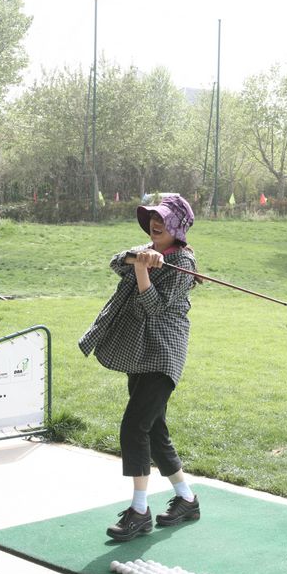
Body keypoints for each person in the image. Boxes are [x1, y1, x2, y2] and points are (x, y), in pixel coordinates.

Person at [78, 195, 200, 542]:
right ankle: (187, 499)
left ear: (177, 228)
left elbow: (154, 308)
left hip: (163, 354)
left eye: (163, 219)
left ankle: (139, 511)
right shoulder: (147, 249)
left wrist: (144, 269)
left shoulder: (184, 262)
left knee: (134, 427)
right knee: (154, 428)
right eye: (152, 217)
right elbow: (116, 261)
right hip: (141, 352)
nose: (154, 223)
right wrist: (139, 258)